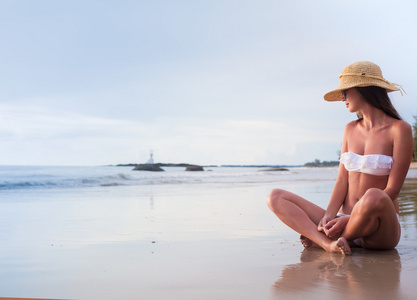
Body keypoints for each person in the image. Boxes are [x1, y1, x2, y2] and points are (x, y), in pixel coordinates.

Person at [267, 61, 414, 255]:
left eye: (345, 92)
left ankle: (339, 238)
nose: (343, 98)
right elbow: (342, 180)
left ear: (363, 89)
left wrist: (349, 221)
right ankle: (327, 243)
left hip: (379, 227)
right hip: (343, 219)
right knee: (276, 196)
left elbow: (392, 190)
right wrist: (328, 216)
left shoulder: (399, 129)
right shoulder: (349, 129)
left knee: (374, 194)